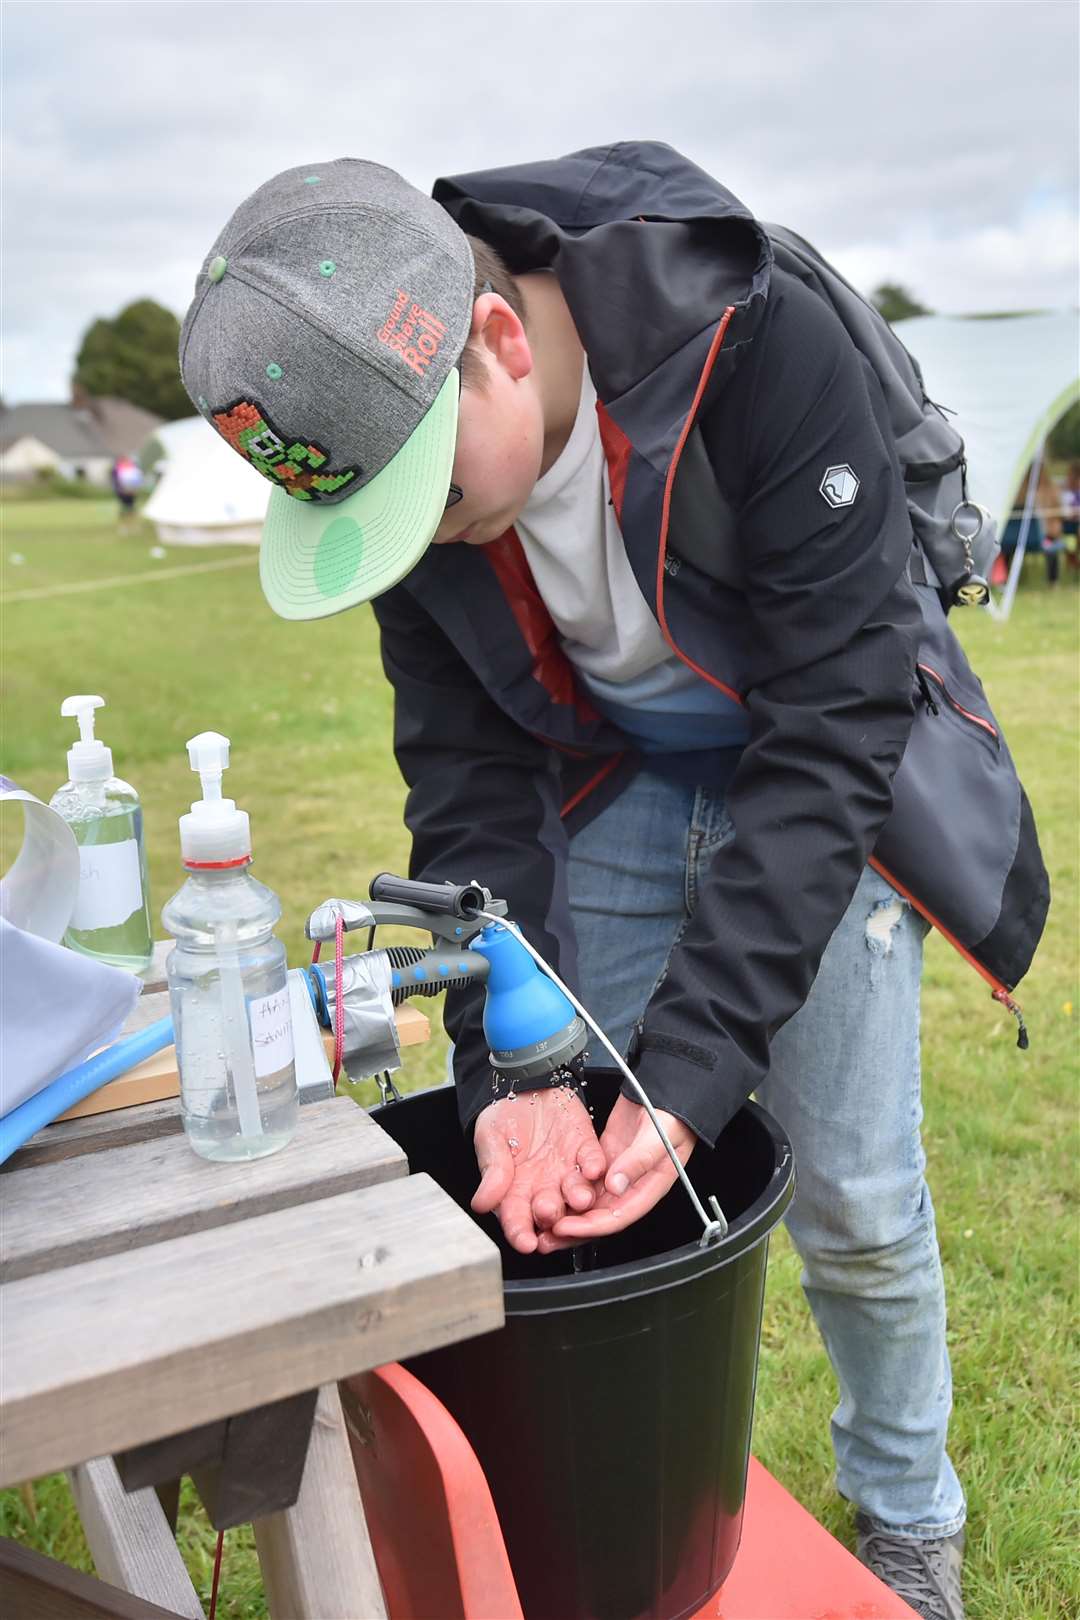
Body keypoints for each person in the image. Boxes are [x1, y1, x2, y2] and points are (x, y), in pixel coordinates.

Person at [179, 146, 1048, 1620]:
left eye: (437, 499)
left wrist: (696, 1067)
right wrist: (505, 1065)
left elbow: (835, 730)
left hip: (816, 766)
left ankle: (909, 1521)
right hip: (625, 780)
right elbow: (467, 770)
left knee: (854, 1196)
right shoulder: (417, 446)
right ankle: (612, 1506)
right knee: (587, 1149)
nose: (434, 541)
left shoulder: (755, 337)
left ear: (501, 345)